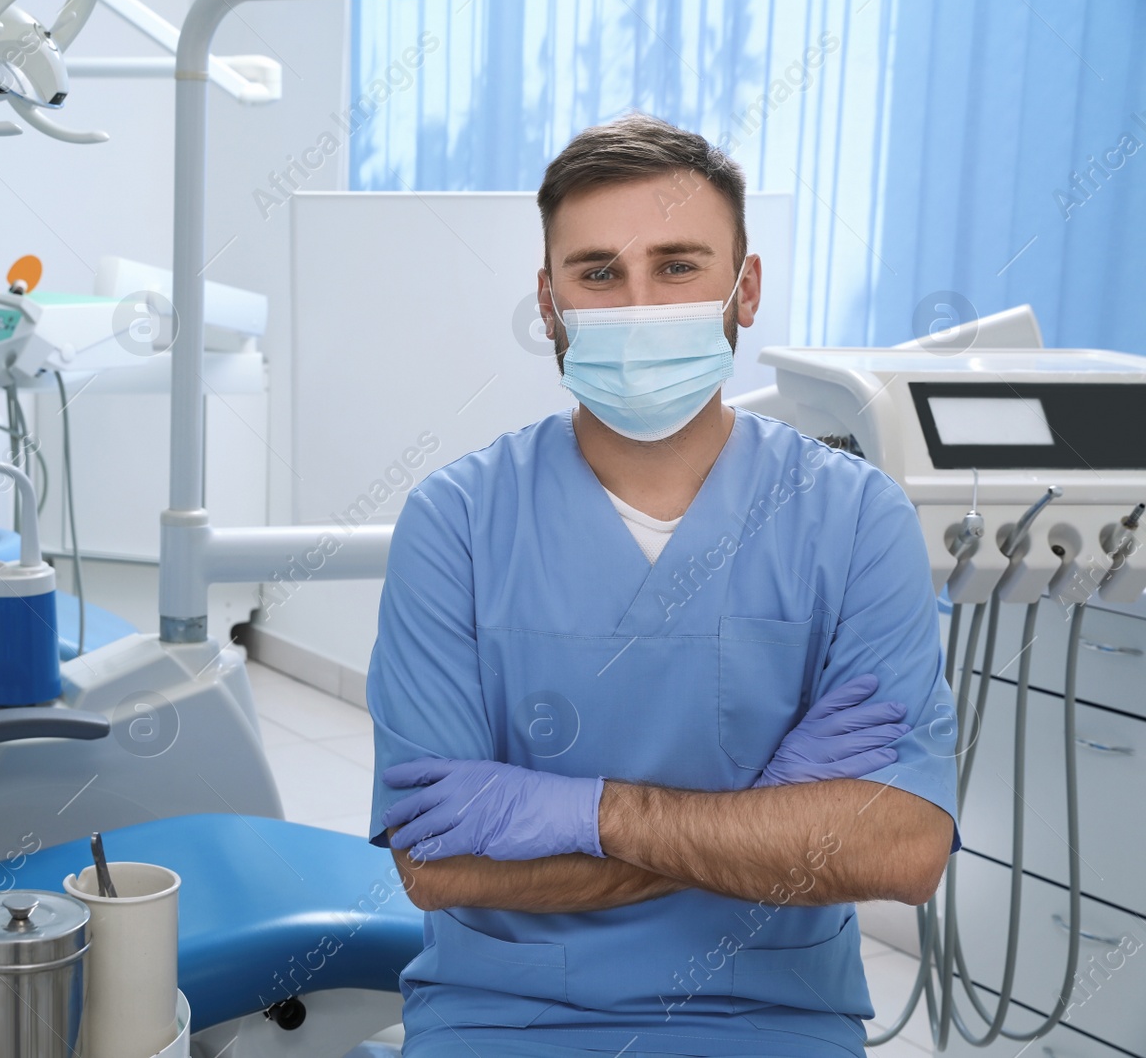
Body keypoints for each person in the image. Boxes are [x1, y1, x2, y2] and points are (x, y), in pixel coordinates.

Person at [368, 112, 959, 1058]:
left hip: (774, 1014)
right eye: (598, 272)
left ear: (745, 288)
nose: (637, 303)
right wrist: (774, 812)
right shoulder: (458, 523)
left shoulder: (854, 519)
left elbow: (901, 850)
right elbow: (439, 867)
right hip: (503, 1013)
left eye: (678, 266)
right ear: (550, 302)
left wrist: (581, 812)